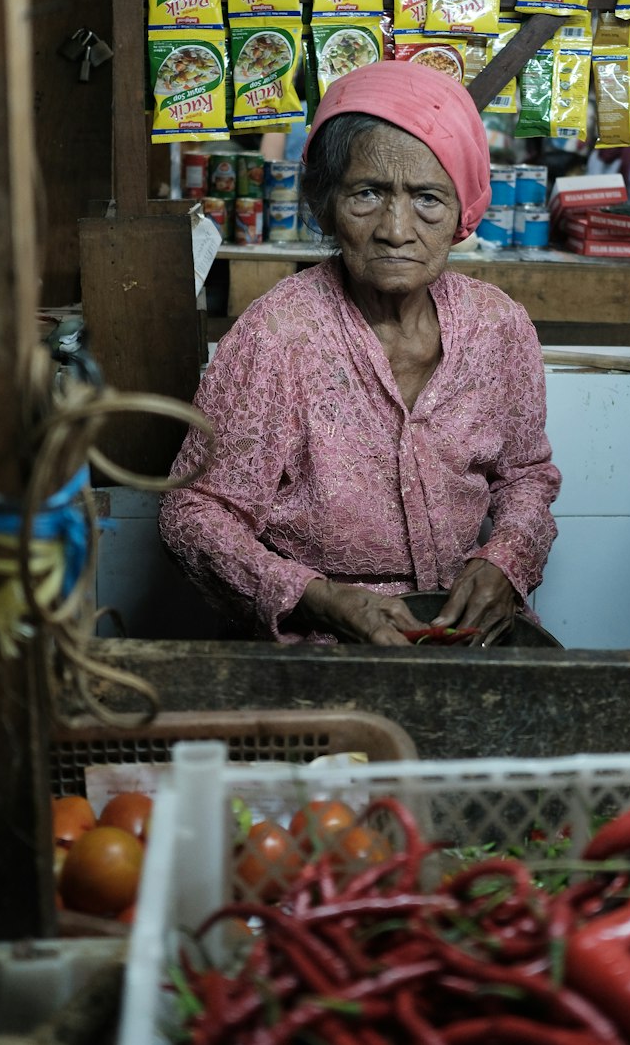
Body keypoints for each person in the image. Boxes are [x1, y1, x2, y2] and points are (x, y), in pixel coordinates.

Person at [160, 60, 561, 647]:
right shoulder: (279, 336)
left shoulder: (498, 327)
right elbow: (192, 514)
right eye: (367, 194)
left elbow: (525, 477)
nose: (396, 229)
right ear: (325, 205)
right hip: (325, 644)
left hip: (467, 633)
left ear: (462, 211)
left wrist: (507, 559)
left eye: (428, 198)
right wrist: (318, 600)